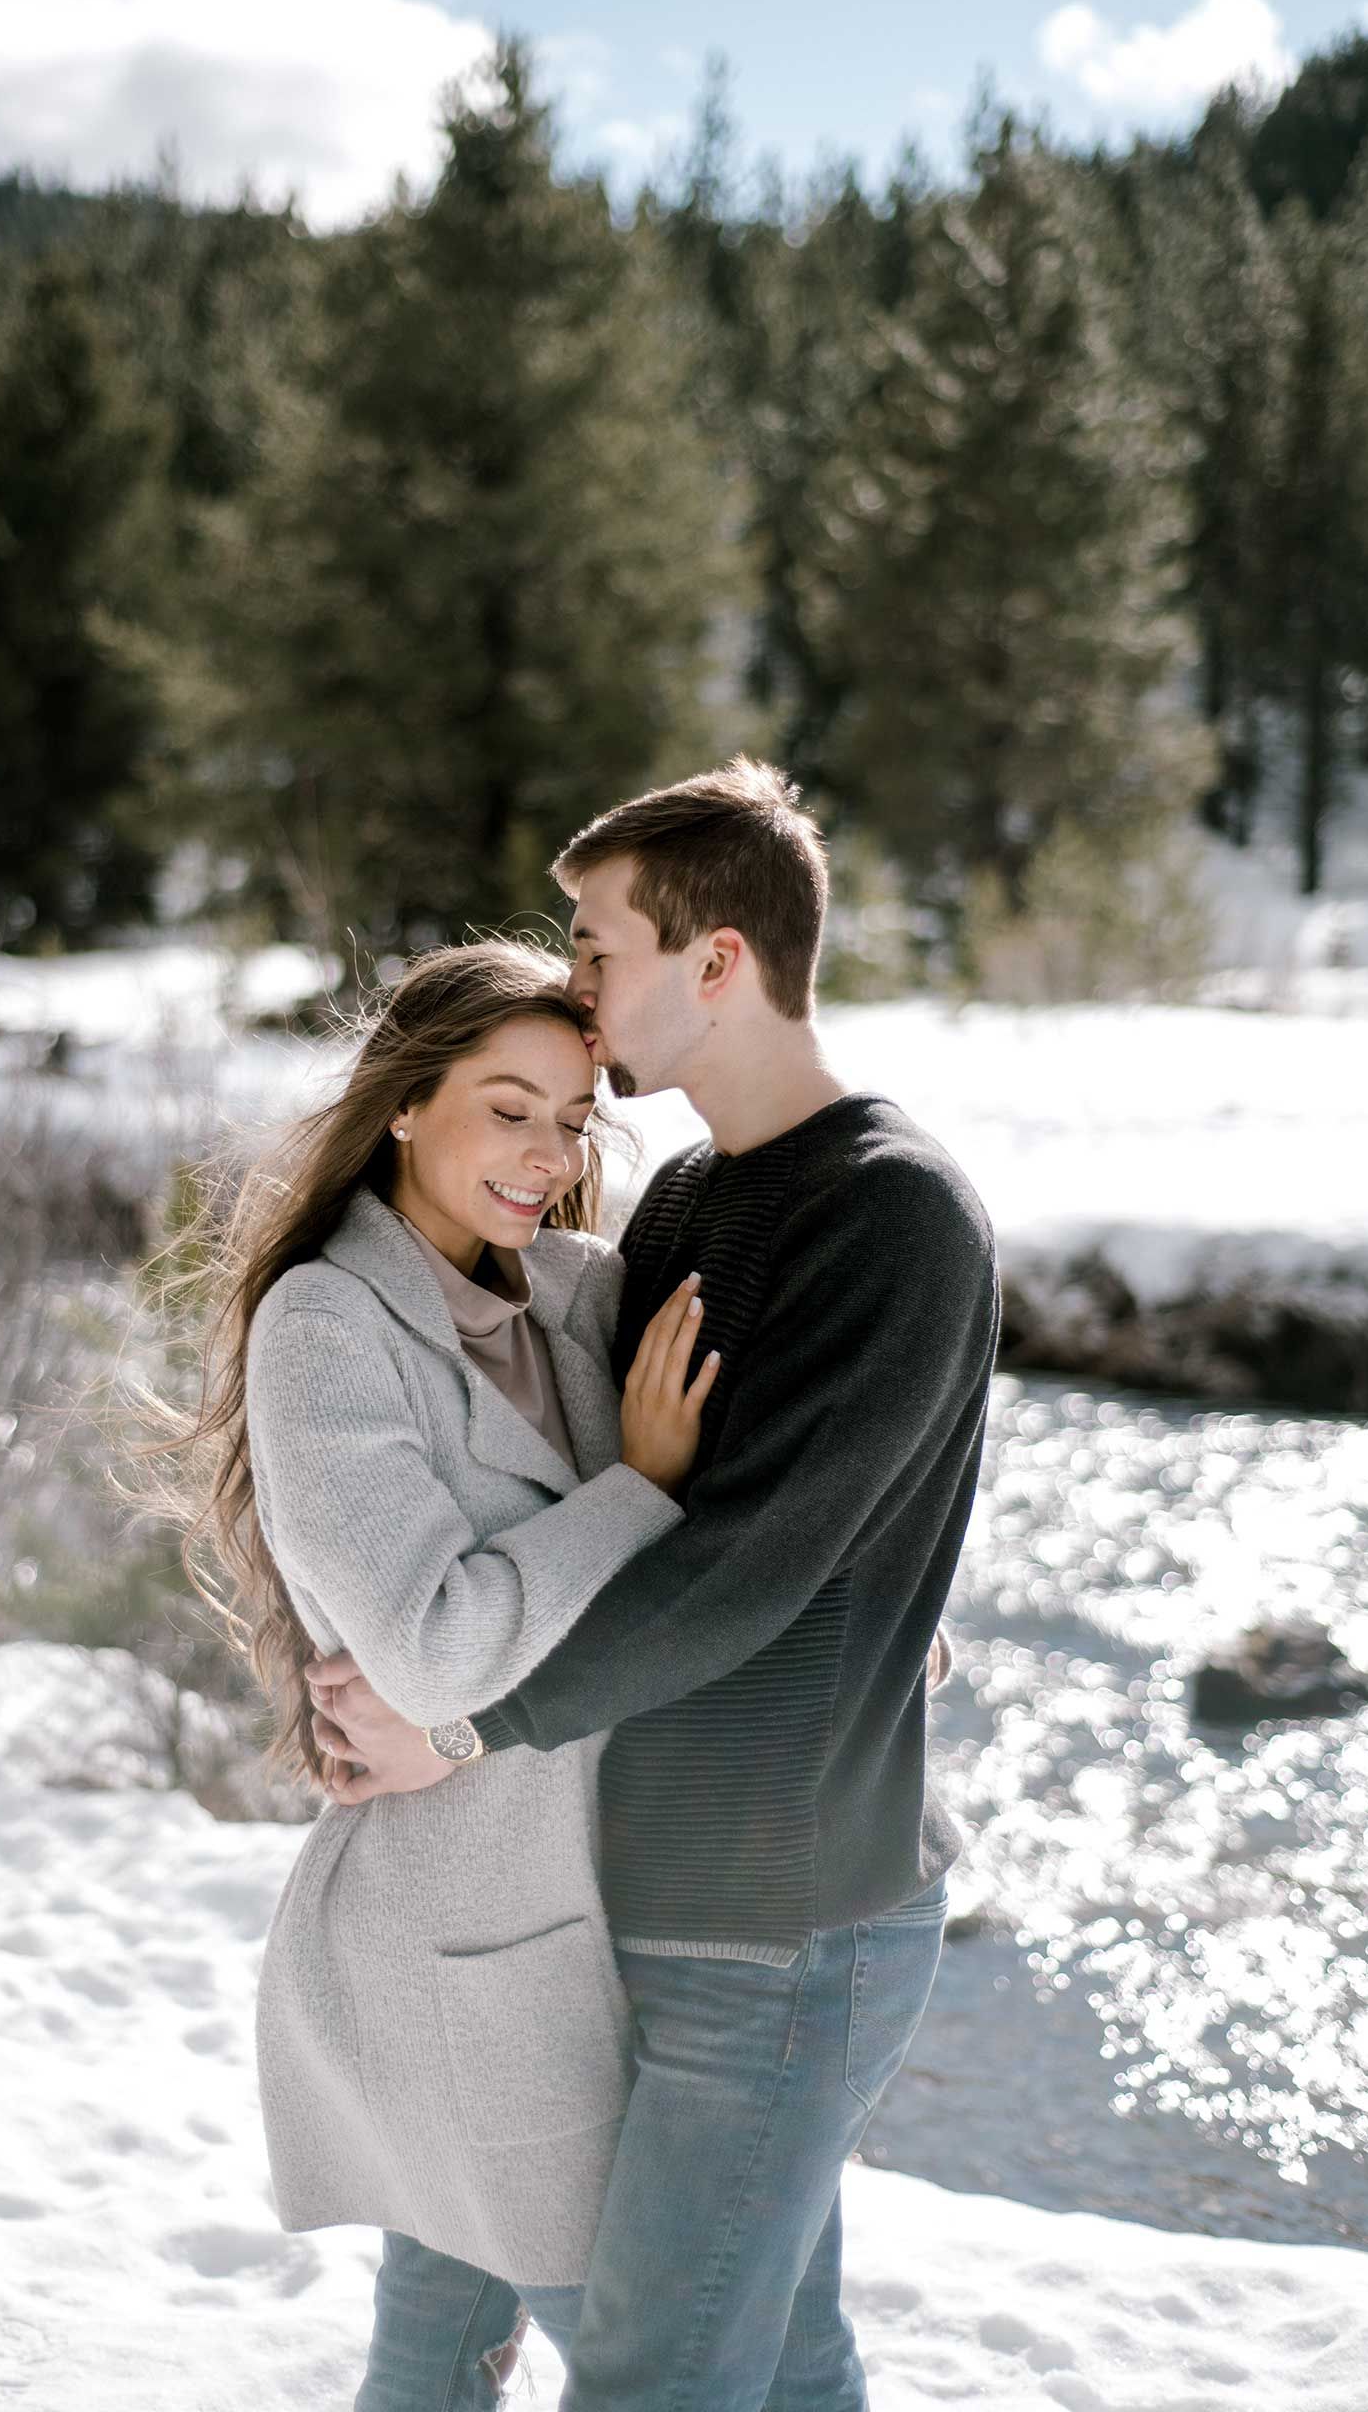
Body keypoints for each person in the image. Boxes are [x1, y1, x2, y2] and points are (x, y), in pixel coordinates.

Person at [308, 757, 1000, 2412]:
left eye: (602, 945)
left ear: (719, 963)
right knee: (774, 2362)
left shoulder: (895, 1213)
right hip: (637, 1889)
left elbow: (750, 1568)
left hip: (787, 1917)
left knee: (653, 2377)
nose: (581, 989)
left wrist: (460, 1728)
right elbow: (604, 1483)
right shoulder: (688, 1195)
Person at [171, 937, 721, 2401]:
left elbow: (748, 1499)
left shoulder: (576, 1295)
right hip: (458, 1944)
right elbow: (429, 1645)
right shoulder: (326, 1329)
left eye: (571, 1116)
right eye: (506, 1105)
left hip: (576, 1917)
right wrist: (640, 1490)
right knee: (650, 2361)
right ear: (407, 1104)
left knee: (438, 2354)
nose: (545, 1155)